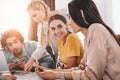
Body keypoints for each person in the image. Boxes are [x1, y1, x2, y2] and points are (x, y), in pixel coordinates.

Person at [34, 0, 120, 80]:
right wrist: (52, 71)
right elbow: (82, 68)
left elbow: (92, 76)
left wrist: (57, 75)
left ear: (81, 14)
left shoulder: (96, 29)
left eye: (70, 17)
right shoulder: (88, 36)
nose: (68, 22)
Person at [24, 0, 69, 72]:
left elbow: (72, 10)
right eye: (31, 17)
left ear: (42, 9)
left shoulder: (59, 15)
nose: (33, 19)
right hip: (59, 59)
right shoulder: (41, 27)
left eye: (34, 15)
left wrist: (54, 12)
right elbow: (41, 47)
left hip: (71, 54)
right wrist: (31, 60)